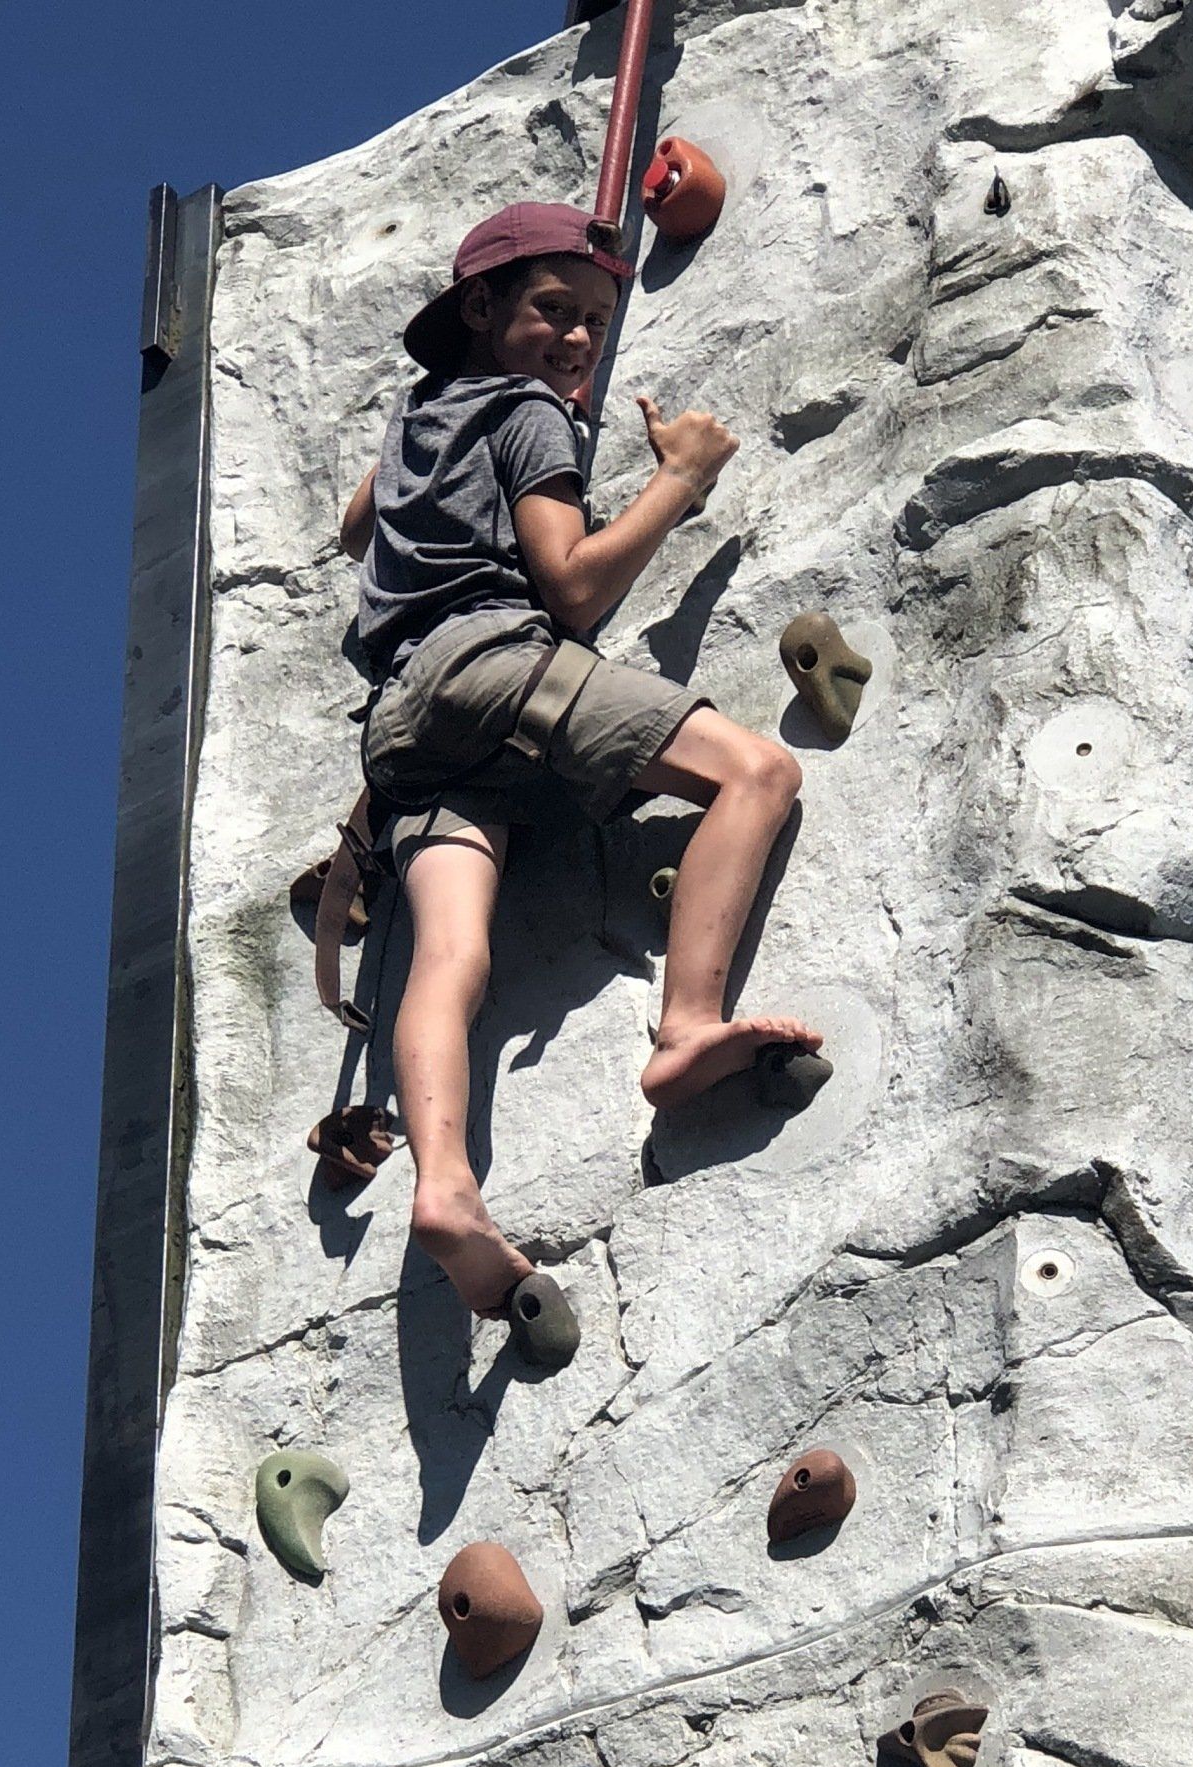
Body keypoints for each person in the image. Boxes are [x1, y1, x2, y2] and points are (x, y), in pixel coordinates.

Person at [342, 200, 820, 1334]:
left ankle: (446, 1184)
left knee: (451, 954)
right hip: (496, 659)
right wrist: (680, 479)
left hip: (402, 723)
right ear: (481, 308)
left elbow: (358, 524)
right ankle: (688, 1027)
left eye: (596, 326)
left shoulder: (419, 419)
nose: (576, 343)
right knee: (757, 774)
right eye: (555, 310)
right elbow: (572, 586)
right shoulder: (527, 413)